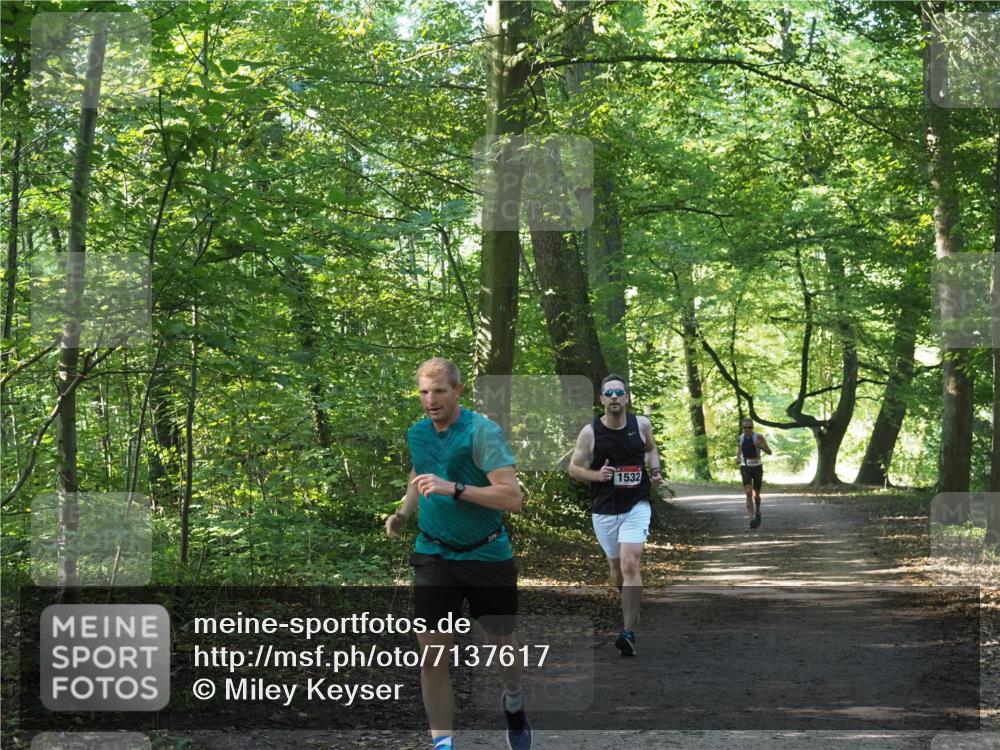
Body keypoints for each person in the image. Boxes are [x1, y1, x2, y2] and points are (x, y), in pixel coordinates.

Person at [385, 358, 531, 750]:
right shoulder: (417, 433)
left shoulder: (482, 433)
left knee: (502, 643)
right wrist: (403, 512)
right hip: (433, 553)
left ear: (458, 391)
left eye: (439, 391)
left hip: (486, 554)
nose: (430, 400)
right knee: (432, 655)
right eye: (423, 392)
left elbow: (512, 498)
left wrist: (456, 488)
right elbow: (421, 473)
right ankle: (443, 744)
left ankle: (513, 702)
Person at [569, 374, 662, 657]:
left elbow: (651, 449)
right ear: (601, 400)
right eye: (608, 393)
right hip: (604, 509)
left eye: (618, 392)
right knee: (617, 571)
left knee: (630, 561)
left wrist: (655, 469)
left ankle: (628, 631)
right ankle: (628, 602)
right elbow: (574, 467)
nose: (614, 397)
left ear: (626, 397)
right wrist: (597, 475)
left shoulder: (641, 425)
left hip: (637, 504)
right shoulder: (591, 431)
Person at [737, 418, 772, 529]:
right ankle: (751, 518)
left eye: (749, 427)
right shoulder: (740, 439)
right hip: (745, 467)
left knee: (756, 494)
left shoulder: (759, 437)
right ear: (742, 428)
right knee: (748, 492)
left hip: (757, 467)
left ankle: (758, 512)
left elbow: (769, 452)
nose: (747, 429)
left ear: (753, 427)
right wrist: (737, 459)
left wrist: (760, 446)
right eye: (745, 427)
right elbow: (739, 452)